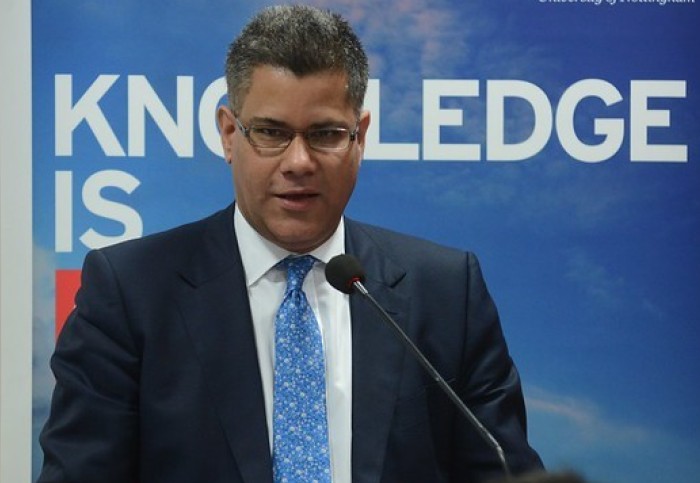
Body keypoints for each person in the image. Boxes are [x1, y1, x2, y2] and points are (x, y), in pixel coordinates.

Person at [38, 5, 543, 483]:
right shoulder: (131, 292)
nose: (298, 161)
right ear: (229, 134)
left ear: (359, 137)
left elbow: (502, 469)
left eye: (324, 133)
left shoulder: (446, 292)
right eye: (271, 132)